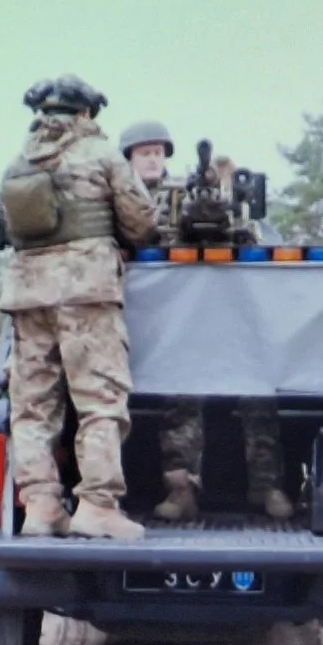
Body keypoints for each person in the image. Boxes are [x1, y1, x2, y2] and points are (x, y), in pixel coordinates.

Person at [0, 75, 160, 540]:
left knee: (31, 407)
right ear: (86, 113)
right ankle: (97, 506)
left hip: (27, 298)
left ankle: (42, 506)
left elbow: (4, 229)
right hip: (85, 295)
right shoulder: (101, 155)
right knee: (101, 400)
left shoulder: (18, 162)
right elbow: (141, 222)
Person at [117, 120, 293, 523]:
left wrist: (228, 216)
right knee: (178, 398)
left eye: (158, 153)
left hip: (229, 323)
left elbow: (255, 247)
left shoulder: (188, 192)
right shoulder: (124, 201)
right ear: (128, 159)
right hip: (168, 328)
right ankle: (181, 490)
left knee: (259, 396)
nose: (153, 160)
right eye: (144, 153)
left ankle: (268, 486)